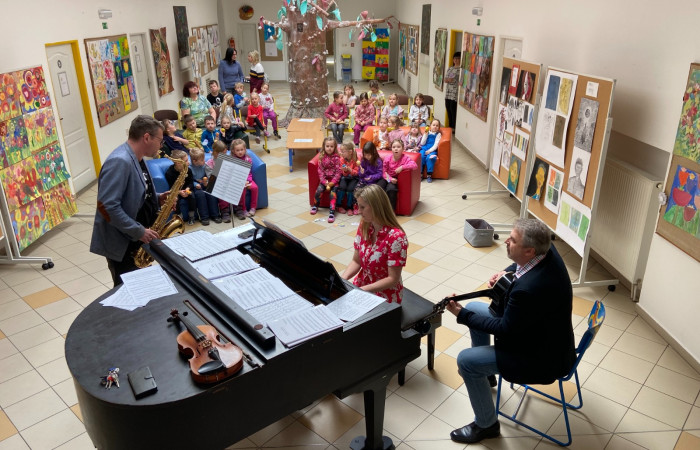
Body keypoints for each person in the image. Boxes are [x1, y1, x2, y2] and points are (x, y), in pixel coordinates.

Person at [445, 218, 575, 444]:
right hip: (544, 335)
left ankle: (486, 425)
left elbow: (505, 329)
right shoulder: (546, 248)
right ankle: (486, 375)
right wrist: (505, 271)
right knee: (475, 308)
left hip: (540, 357)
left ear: (529, 250)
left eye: (513, 240)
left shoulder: (528, 290)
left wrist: (461, 315)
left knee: (466, 360)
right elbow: (521, 268)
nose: (506, 241)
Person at [90, 115, 169, 287]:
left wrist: (157, 198)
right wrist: (138, 231)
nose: (161, 145)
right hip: (123, 243)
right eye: (160, 140)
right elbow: (105, 206)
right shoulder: (119, 161)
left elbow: (134, 192)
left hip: (135, 239)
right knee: (128, 290)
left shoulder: (139, 158)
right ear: (146, 137)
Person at [341, 184, 408, 304]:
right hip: (363, 286)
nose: (359, 211)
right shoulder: (364, 225)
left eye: (362, 207)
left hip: (385, 295)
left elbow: (392, 279)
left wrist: (361, 291)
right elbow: (357, 261)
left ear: (376, 207)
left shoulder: (396, 237)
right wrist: (342, 281)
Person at [378, 139, 418, 211]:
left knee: (391, 189)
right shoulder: (388, 158)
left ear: (403, 149)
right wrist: (389, 179)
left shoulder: (405, 158)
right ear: (391, 149)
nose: (396, 149)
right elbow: (384, 172)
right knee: (378, 187)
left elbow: (415, 165)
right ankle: (378, 210)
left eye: (398, 147)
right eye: (394, 147)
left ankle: (391, 211)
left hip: (396, 179)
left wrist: (402, 167)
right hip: (387, 177)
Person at [310, 137, 341, 223]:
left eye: (331, 146)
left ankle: (332, 212)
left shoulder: (337, 158)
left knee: (333, 195)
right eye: (327, 146)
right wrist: (324, 181)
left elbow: (338, 172)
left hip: (334, 182)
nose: (329, 148)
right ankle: (315, 205)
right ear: (324, 146)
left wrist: (332, 182)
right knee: (318, 191)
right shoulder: (322, 156)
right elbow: (320, 171)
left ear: (335, 147)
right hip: (325, 181)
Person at [189, 148, 222, 224]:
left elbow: (208, 175)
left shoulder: (204, 166)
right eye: (201, 160)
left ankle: (215, 215)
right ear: (194, 161)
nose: (204, 161)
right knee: (200, 195)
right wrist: (195, 184)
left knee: (211, 192)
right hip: (196, 186)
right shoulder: (189, 168)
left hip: (205, 184)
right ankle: (204, 217)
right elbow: (189, 180)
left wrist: (207, 181)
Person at [166, 150, 197, 226]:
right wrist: (179, 192)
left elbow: (191, 182)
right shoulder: (169, 173)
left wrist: (187, 189)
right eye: (186, 161)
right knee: (175, 199)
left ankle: (191, 216)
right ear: (178, 163)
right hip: (176, 192)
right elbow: (171, 188)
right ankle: (179, 218)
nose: (188, 162)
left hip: (187, 190)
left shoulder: (188, 170)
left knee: (192, 196)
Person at [231, 139, 259, 219]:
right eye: (237, 150)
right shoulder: (233, 160)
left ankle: (253, 207)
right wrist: (241, 181)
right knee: (242, 190)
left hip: (247, 180)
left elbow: (248, 172)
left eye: (242, 150)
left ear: (245, 149)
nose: (240, 152)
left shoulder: (248, 159)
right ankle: (243, 209)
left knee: (255, 187)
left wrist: (247, 180)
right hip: (238, 181)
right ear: (233, 151)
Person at [206, 141, 231, 222]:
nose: (225, 155)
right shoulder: (209, 163)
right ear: (216, 153)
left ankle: (239, 208)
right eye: (223, 154)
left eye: (225, 153)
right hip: (216, 183)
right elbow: (211, 178)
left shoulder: (227, 159)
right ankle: (224, 211)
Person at [336, 142, 359, 215]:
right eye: (341, 151)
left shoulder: (356, 159)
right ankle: (338, 206)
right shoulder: (342, 159)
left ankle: (350, 207)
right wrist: (345, 171)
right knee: (342, 187)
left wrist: (350, 170)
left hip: (354, 178)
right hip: (345, 177)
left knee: (350, 189)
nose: (341, 153)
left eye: (343, 151)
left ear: (350, 152)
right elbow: (343, 173)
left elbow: (357, 172)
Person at [444, 52, 461, 131]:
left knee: (453, 109)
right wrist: (448, 80)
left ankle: (454, 126)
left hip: (455, 93)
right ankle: (450, 125)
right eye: (455, 58)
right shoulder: (450, 68)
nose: (456, 60)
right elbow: (446, 79)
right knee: (448, 107)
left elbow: (452, 79)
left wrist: (449, 80)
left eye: (458, 58)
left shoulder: (460, 69)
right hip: (448, 92)